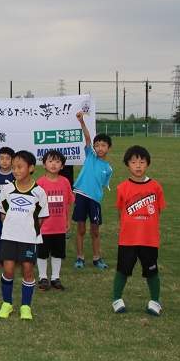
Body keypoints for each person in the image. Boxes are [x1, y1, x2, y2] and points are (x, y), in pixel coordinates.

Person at [0, 150, 49, 321]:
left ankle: (26, 306)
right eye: (13, 167)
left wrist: (28, 231)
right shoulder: (8, 189)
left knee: (27, 270)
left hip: (28, 239)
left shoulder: (39, 192)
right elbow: (3, 213)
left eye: (20, 167)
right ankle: (7, 303)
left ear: (31, 168)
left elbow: (41, 218)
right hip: (9, 237)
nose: (16, 171)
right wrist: (11, 229)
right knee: (8, 270)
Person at [112, 146, 165, 316]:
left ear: (148, 164)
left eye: (142, 162)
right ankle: (117, 299)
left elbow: (158, 211)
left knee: (152, 271)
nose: (138, 166)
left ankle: (155, 300)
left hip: (149, 238)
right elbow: (121, 211)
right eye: (134, 162)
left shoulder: (155, 187)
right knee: (123, 270)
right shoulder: (122, 187)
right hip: (128, 238)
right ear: (127, 165)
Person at [72, 111, 113, 269]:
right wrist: (82, 122)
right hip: (81, 196)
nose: (100, 148)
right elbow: (88, 138)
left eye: (103, 145)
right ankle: (80, 258)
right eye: (97, 145)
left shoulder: (108, 168)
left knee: (95, 230)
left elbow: (102, 184)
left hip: (95, 200)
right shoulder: (90, 156)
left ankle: (96, 258)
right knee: (81, 228)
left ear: (109, 148)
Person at [35, 150, 74, 291]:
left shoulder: (65, 182)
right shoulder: (40, 183)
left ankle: (55, 278)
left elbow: (68, 202)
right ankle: (42, 278)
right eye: (50, 161)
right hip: (44, 226)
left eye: (57, 162)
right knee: (42, 253)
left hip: (59, 226)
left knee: (58, 253)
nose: (54, 164)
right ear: (44, 164)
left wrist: (68, 219)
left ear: (62, 166)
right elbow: (35, 206)